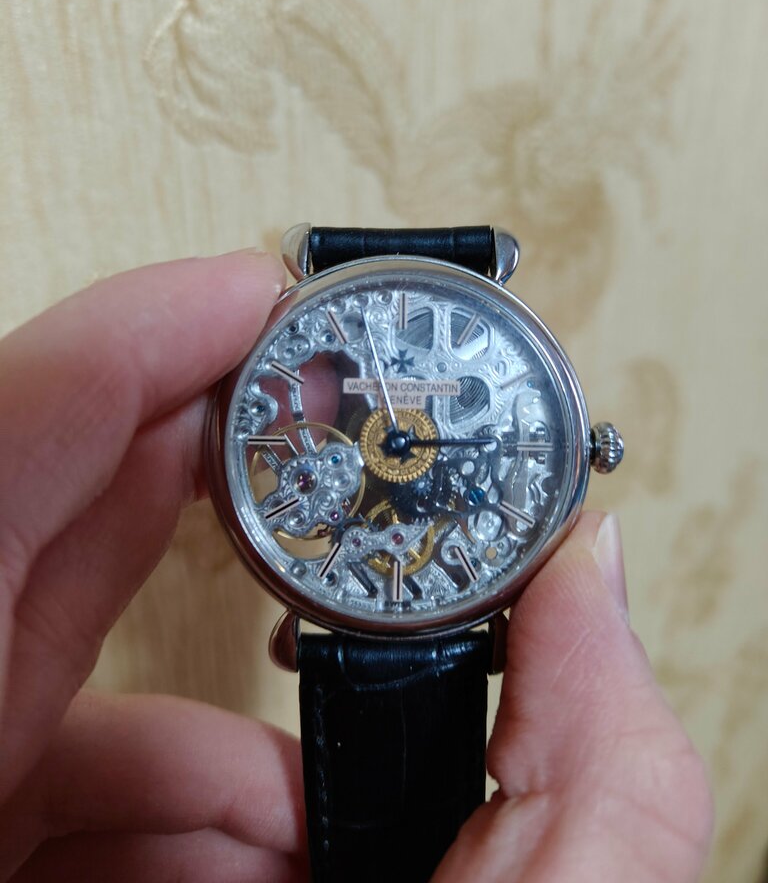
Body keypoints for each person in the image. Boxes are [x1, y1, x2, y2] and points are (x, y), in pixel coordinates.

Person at [0, 250, 713, 882]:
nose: (399, 442)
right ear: (595, 449)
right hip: (372, 557)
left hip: (405, 567)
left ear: (590, 450)